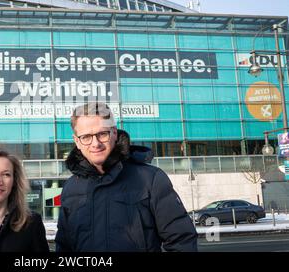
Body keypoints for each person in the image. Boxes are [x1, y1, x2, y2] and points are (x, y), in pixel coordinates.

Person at [55, 102, 198, 252]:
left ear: (114, 133)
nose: (95, 144)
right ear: (77, 141)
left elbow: (182, 241)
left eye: (102, 134)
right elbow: (64, 247)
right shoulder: (70, 188)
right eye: (86, 137)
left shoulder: (150, 179)